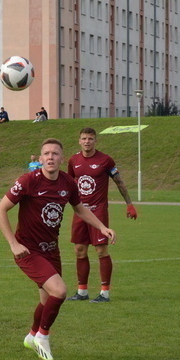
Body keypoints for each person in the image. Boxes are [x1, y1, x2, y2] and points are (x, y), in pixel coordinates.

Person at [0, 138, 116, 360]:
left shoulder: (68, 182)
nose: (50, 157)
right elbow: (0, 210)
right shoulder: (28, 180)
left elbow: (80, 209)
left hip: (51, 250)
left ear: (62, 159)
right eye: (46, 154)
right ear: (40, 159)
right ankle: (43, 336)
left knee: (46, 300)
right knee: (59, 291)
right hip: (27, 250)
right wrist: (13, 244)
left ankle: (32, 335)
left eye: (55, 154)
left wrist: (102, 227)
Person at [66, 127, 136, 303]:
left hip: (98, 211)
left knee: (101, 251)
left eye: (90, 138)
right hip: (80, 211)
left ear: (95, 141)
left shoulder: (105, 160)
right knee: (79, 251)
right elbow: (67, 185)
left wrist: (129, 204)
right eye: (84, 138)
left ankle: (104, 293)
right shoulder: (73, 160)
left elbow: (119, 182)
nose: (87, 141)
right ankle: (82, 292)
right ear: (79, 141)